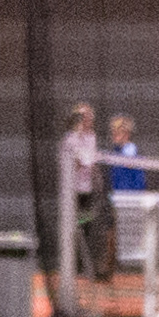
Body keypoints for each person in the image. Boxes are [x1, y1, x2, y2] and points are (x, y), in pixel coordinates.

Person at [60, 101, 111, 293]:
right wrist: (80, 162)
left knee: (86, 227)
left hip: (87, 191)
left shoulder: (92, 138)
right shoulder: (70, 138)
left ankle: (84, 267)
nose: (87, 120)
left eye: (89, 116)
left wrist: (97, 178)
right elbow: (69, 163)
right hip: (72, 191)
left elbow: (93, 163)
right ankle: (71, 267)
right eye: (83, 116)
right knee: (73, 228)